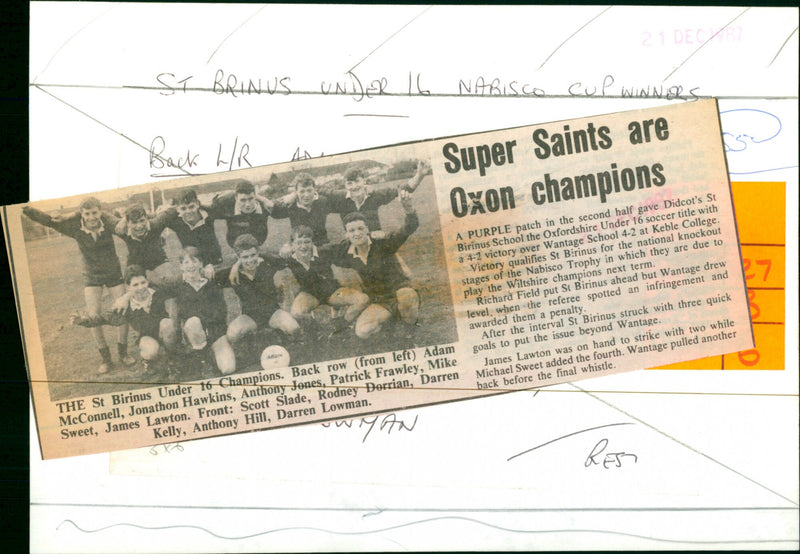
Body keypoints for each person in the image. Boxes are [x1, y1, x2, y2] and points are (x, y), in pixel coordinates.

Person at [22, 198, 135, 373]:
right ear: (82, 214)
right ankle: (106, 359)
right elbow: (50, 222)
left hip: (113, 273)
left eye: (95, 213)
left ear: (100, 212)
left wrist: (121, 220)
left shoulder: (106, 221)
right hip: (92, 276)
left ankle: (123, 353)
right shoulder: (74, 227)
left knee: (123, 311)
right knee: (93, 316)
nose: (92, 217)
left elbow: (119, 223)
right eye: (87, 213)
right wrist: (28, 210)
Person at [327, 190, 420, 338]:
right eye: (351, 230)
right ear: (346, 234)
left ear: (368, 229)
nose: (356, 233)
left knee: (406, 297)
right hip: (380, 299)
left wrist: (409, 209)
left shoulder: (383, 243)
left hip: (400, 290)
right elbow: (320, 252)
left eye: (360, 228)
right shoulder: (345, 251)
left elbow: (408, 229)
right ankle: (393, 318)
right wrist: (293, 248)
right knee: (363, 332)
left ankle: (410, 328)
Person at [284, 225, 370, 330]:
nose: (303, 246)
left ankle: (339, 325)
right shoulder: (289, 259)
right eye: (299, 243)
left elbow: (342, 246)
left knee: (363, 299)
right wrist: (284, 249)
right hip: (310, 294)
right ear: (292, 245)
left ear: (312, 243)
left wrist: (363, 236)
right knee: (296, 313)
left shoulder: (323, 252)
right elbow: (267, 257)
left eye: (307, 242)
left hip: (333, 291)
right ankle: (317, 329)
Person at [225, 234, 300, 345]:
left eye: (253, 255)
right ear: (238, 257)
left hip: (273, 312)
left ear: (258, 253)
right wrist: (234, 266)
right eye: (245, 257)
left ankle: (280, 334)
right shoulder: (232, 272)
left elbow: (288, 257)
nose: (250, 260)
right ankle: (251, 341)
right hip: (249, 316)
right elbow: (209, 275)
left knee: (294, 329)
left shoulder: (267, 264)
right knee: (232, 335)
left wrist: (287, 246)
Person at [174, 246, 236, 375]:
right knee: (193, 322)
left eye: (194, 261)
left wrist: (236, 264)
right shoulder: (178, 285)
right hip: (194, 333)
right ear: (181, 266)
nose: (191, 265)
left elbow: (221, 311)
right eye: (186, 262)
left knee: (228, 368)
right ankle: (202, 358)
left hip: (215, 331)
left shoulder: (211, 282)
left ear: (201, 264)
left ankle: (212, 353)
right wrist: (127, 295)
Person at [327, 160, 431, 233]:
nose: (354, 186)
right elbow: (316, 191)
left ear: (364, 181)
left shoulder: (374, 196)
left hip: (376, 245)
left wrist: (420, 175)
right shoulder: (339, 197)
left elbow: (401, 189)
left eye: (357, 181)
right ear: (345, 185)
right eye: (349, 183)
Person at [269, 173, 334, 245]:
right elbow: (273, 210)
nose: (306, 195)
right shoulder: (291, 205)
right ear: (296, 192)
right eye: (302, 191)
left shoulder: (322, 201)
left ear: (314, 189)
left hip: (321, 244)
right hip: (299, 245)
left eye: (309, 190)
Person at [210, 179, 275, 249]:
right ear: (236, 198)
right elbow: (211, 208)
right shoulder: (225, 203)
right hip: (234, 241)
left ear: (256, 197)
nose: (247, 204)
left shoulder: (265, 206)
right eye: (243, 200)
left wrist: (265, 200)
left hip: (258, 240)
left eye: (250, 199)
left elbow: (282, 208)